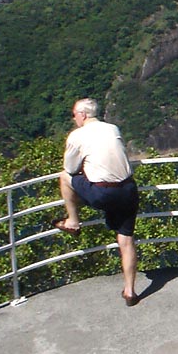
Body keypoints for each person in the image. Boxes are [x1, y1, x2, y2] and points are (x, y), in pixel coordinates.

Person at [55, 98, 140, 306]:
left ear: (82, 115)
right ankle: (130, 291)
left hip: (103, 193)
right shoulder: (112, 128)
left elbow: (71, 168)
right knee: (126, 241)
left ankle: (73, 221)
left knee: (64, 177)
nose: (73, 117)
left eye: (74, 114)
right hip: (128, 189)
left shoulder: (77, 135)